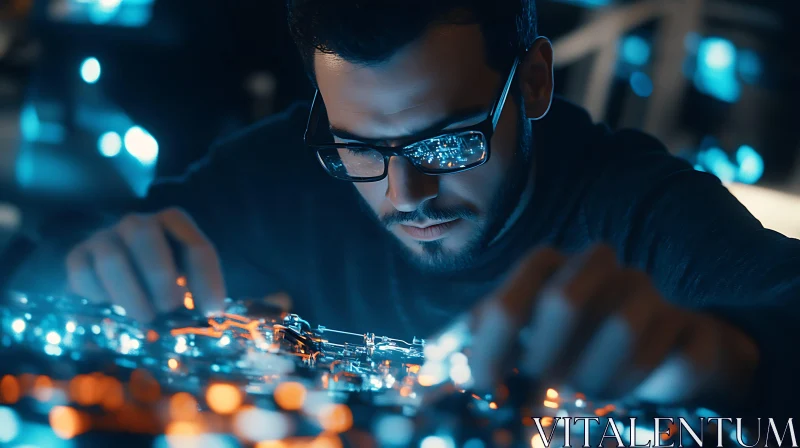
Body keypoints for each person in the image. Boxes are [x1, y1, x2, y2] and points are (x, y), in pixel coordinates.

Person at [50, 0, 798, 420]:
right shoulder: (284, 167)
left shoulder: (637, 208)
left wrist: (713, 355)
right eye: (359, 150)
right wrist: (93, 261)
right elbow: (52, 260)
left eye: (446, 144)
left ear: (534, 83)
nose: (402, 195)